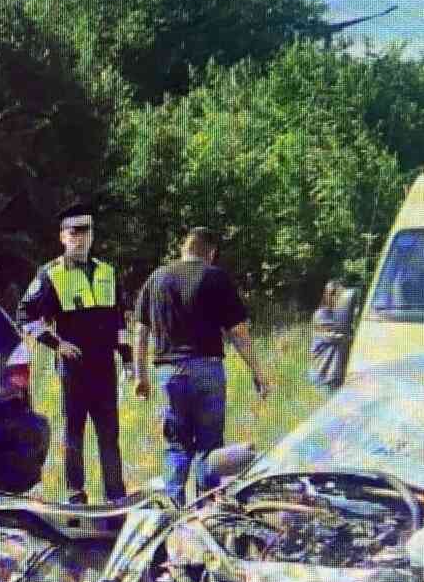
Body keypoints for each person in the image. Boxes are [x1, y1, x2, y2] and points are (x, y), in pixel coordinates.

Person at [133, 228, 269, 503]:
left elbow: (140, 330)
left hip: (169, 372)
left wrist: (140, 376)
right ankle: (207, 510)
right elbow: (238, 333)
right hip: (207, 369)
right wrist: (258, 372)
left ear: (184, 249)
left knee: (176, 446)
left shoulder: (157, 277)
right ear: (210, 252)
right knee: (209, 447)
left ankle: (173, 510)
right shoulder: (215, 277)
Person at [18, 204, 131, 503]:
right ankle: (75, 494)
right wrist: (57, 345)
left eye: (86, 231)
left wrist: (128, 359)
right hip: (74, 367)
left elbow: (119, 320)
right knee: (74, 434)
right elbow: (24, 315)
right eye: (74, 233)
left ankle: (116, 496)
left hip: (105, 366)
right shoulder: (51, 274)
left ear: (93, 235)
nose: (80, 238)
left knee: (110, 434)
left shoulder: (107, 272)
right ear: (62, 237)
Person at [307, 280, 353, 393]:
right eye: (340, 296)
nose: (343, 301)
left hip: (332, 376)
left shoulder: (336, 315)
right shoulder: (322, 314)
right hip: (322, 376)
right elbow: (337, 337)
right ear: (330, 295)